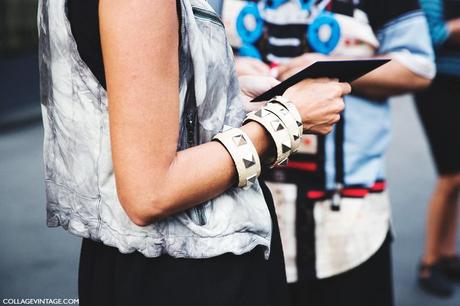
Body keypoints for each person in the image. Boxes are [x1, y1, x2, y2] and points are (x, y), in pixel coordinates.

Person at [37, 0, 351, 305]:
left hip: (141, 259)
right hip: (186, 269)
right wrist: (286, 120)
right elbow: (150, 193)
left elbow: (117, 111)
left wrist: (227, 97)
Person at [222, 0, 435, 305]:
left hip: (348, 220)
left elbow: (419, 68)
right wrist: (226, 65)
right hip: (240, 220)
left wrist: (332, 67)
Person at [415, 0, 460, 297]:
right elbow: (426, 35)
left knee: (458, 177)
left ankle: (447, 253)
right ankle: (429, 261)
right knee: (451, 175)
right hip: (439, 85)